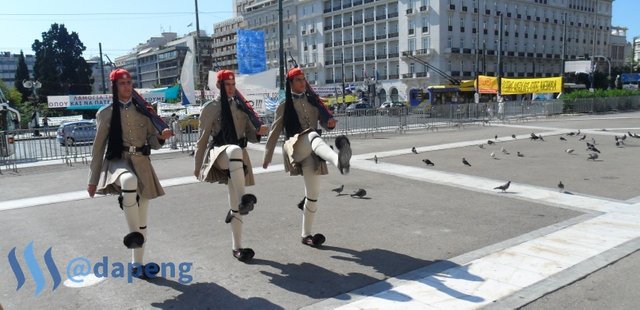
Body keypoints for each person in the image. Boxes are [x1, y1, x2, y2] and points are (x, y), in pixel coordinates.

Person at [87, 68, 172, 277]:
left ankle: (137, 264)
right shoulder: (105, 113)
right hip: (119, 160)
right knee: (128, 180)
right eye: (122, 83)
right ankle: (132, 226)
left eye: (129, 82)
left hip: (142, 161)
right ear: (114, 87)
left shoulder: (144, 110)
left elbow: (153, 141)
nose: (126, 86)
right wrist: (92, 180)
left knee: (143, 218)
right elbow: (98, 149)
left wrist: (162, 137)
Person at [262, 67, 352, 248]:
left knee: (313, 195)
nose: (303, 83)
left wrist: (330, 123)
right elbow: (274, 131)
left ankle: (306, 235)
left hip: (312, 150)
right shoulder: (284, 104)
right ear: (290, 83)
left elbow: (326, 124)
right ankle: (338, 161)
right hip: (294, 147)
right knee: (311, 135)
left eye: (304, 80)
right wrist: (267, 156)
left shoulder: (313, 101)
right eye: (298, 80)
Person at [194, 70, 268, 262]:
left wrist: (259, 132)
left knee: (235, 204)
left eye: (233, 84)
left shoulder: (241, 107)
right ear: (218, 86)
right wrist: (197, 166)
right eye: (227, 84)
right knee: (233, 151)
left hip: (238, 157)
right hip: (220, 153)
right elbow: (202, 140)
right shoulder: (211, 108)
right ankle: (244, 199)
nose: (231, 88)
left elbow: (251, 135)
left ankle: (237, 247)